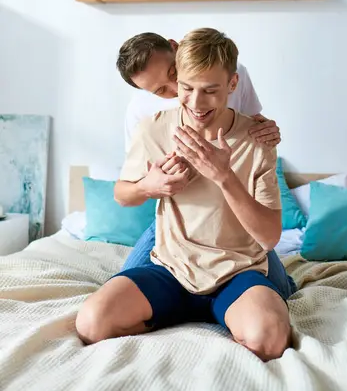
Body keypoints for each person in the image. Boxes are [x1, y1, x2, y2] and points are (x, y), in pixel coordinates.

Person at [76, 28, 296, 361]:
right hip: (171, 265)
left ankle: (249, 302)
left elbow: (268, 238)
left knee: (269, 337)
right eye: (185, 89)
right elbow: (124, 192)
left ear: (231, 85)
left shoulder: (257, 138)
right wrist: (151, 184)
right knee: (93, 322)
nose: (195, 101)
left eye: (210, 90)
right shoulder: (149, 124)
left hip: (235, 268)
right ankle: (181, 310)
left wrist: (224, 175)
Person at [118, 31, 282, 270]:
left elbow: (253, 124)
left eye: (173, 74)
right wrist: (147, 186)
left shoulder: (227, 71)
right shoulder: (141, 113)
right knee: (126, 279)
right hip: (177, 225)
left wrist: (270, 130)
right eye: (160, 91)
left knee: (270, 280)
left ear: (176, 48)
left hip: (237, 224)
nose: (176, 90)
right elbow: (123, 191)